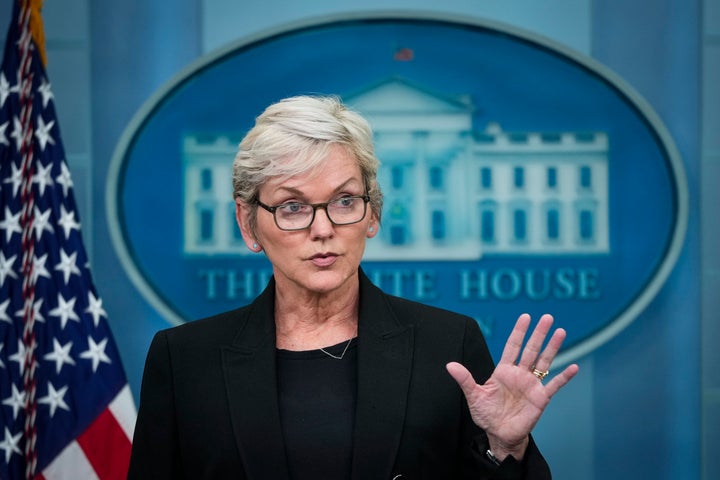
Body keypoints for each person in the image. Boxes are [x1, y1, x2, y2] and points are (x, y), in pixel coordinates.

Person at [127, 95, 579, 479]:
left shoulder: (449, 345)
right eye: (292, 206)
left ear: (373, 213)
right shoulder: (184, 360)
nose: (323, 228)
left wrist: (504, 449)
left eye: (344, 200)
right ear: (249, 224)